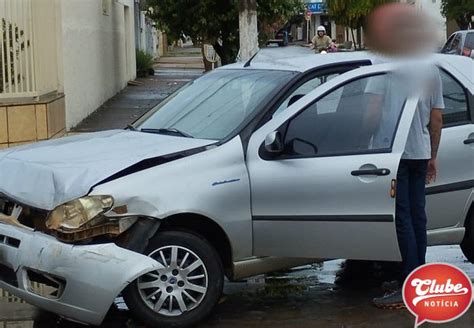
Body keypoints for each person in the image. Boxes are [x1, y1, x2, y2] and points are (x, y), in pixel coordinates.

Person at [372, 66, 444, 309]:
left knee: (403, 217)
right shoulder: (431, 70)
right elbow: (436, 118)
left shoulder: (385, 67)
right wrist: (433, 155)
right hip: (420, 153)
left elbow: (372, 112)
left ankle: (410, 285)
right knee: (417, 216)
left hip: (395, 153)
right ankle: (415, 276)